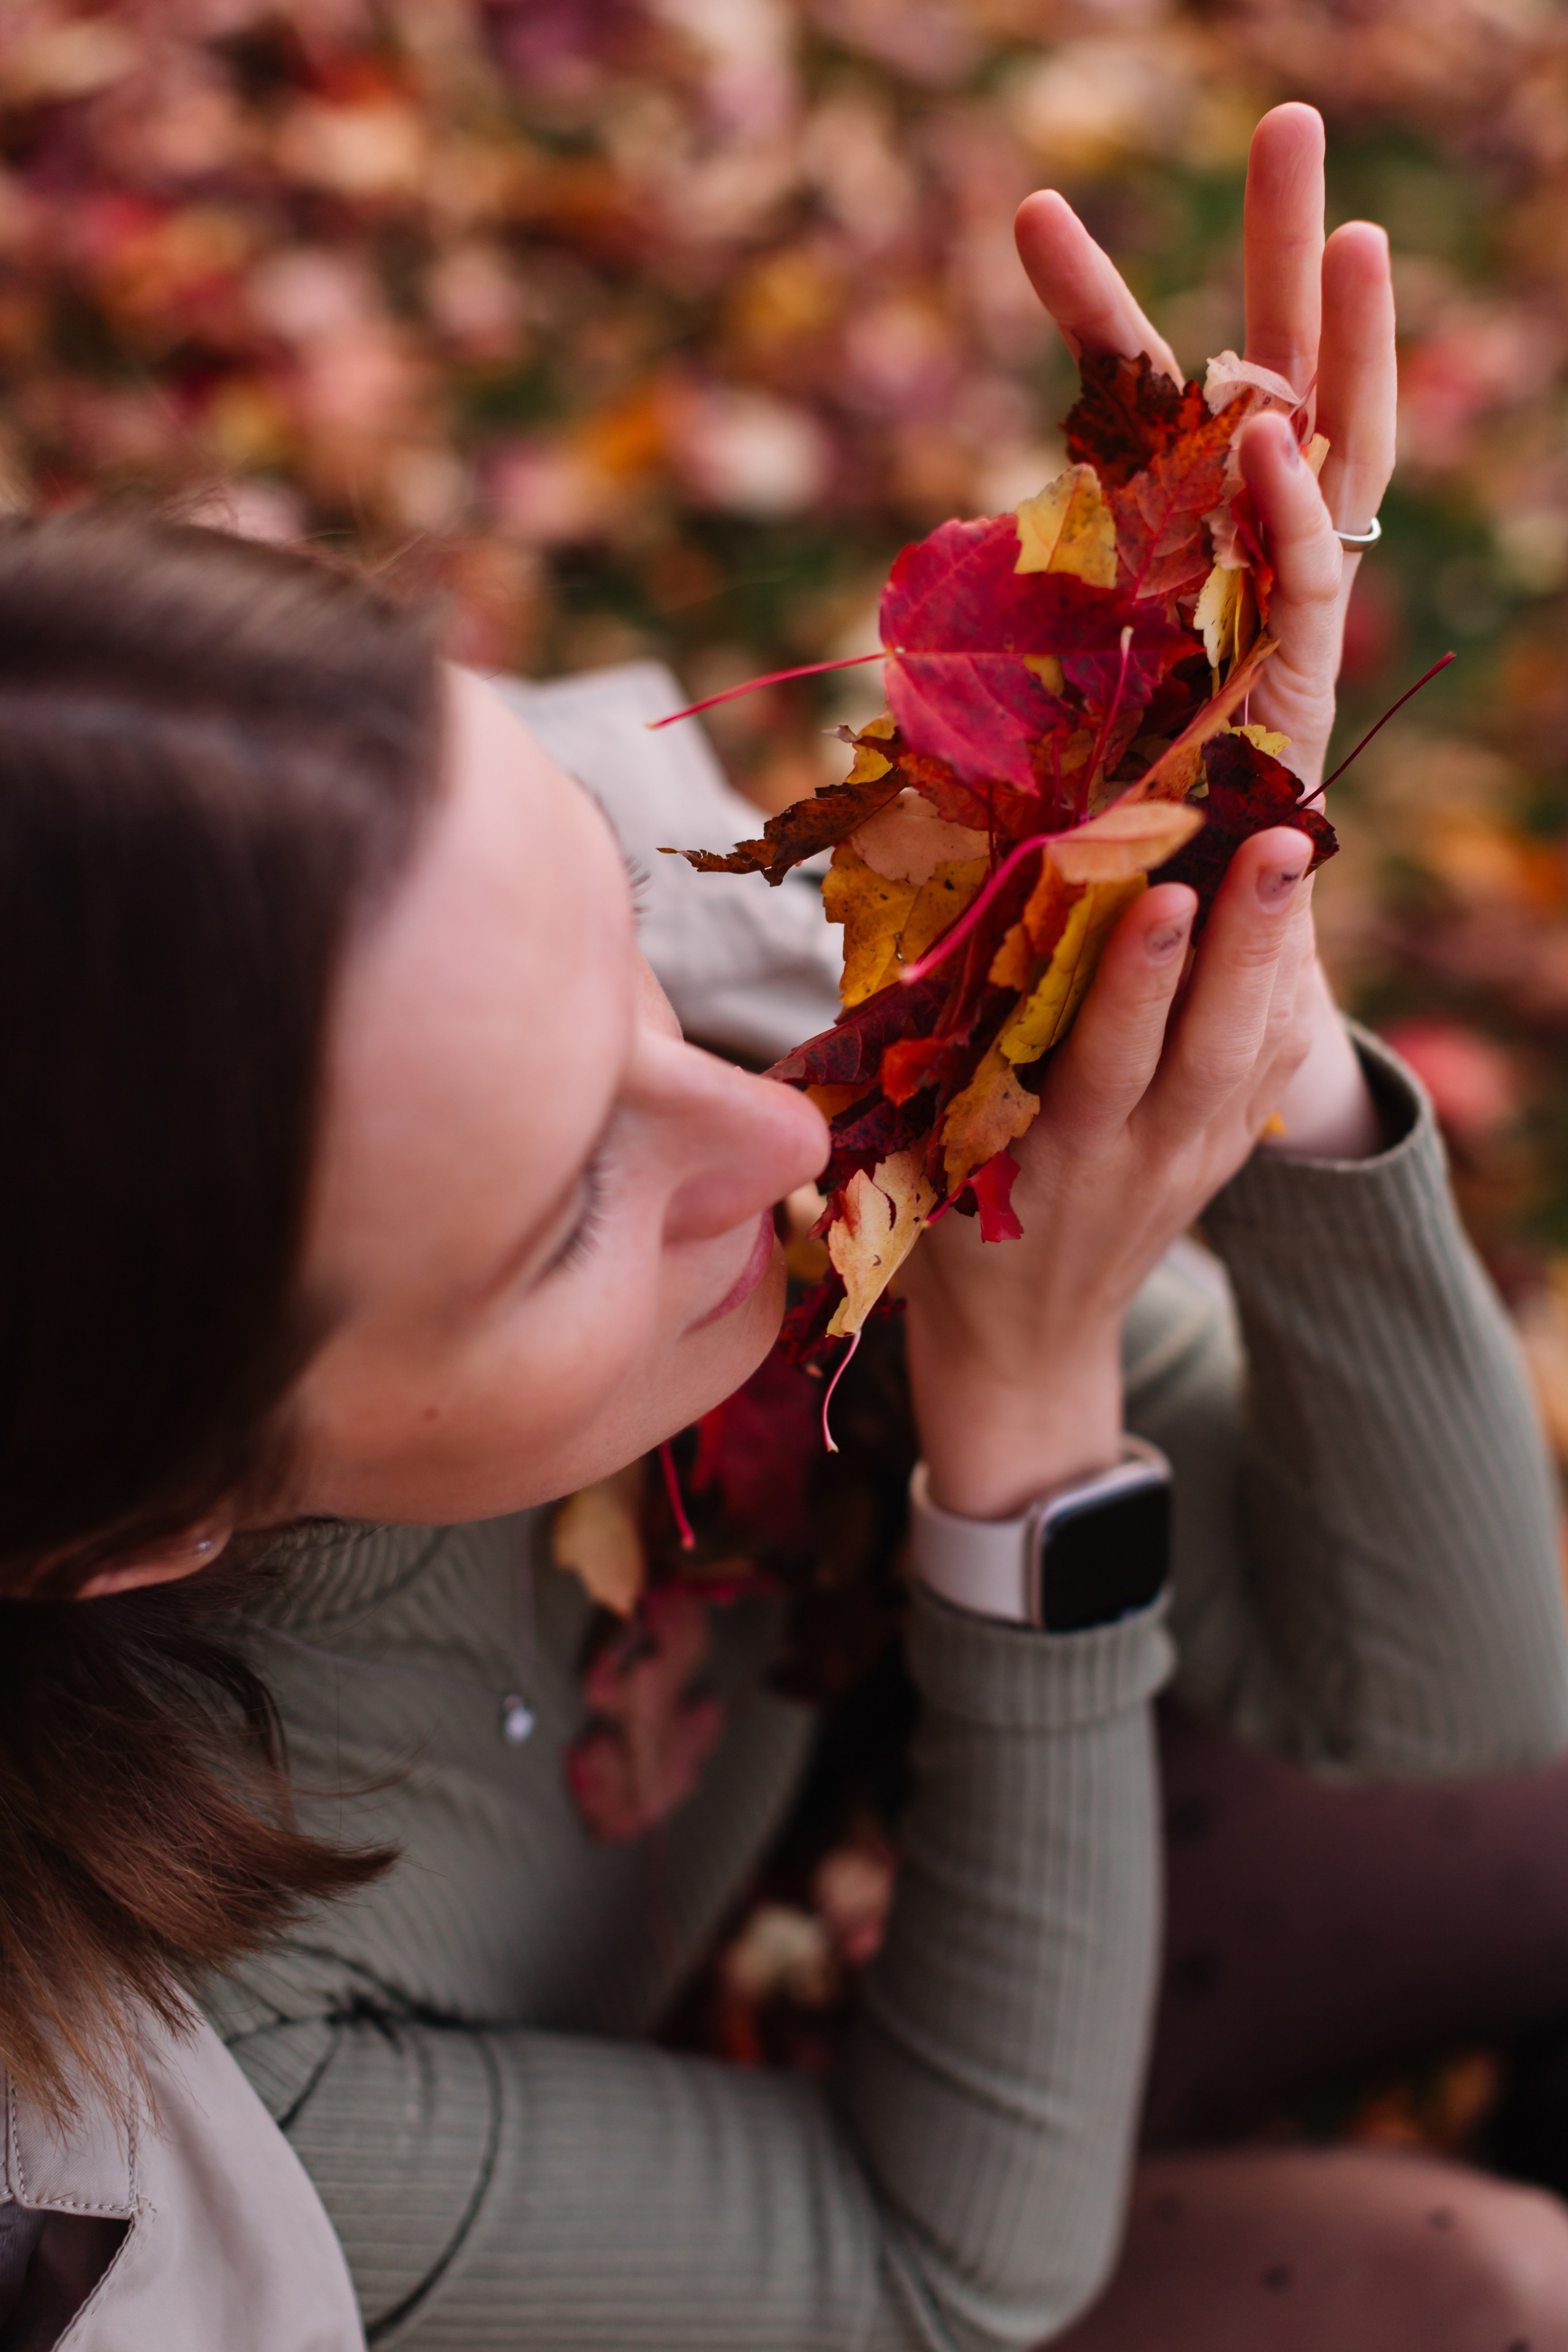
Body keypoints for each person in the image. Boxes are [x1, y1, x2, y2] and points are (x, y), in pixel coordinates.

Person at [2, 100, 1567, 2352]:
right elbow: (948, 2271)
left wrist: (1242, 939)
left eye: (616, 940)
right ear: (154, 1519)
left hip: (909, 1807)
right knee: (1482, 2297)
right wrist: (1023, 1412)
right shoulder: (169, 2101)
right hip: (755, 2230)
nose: (762, 1122)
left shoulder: (519, 986)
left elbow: (1454, 1685)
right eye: (565, 1218)